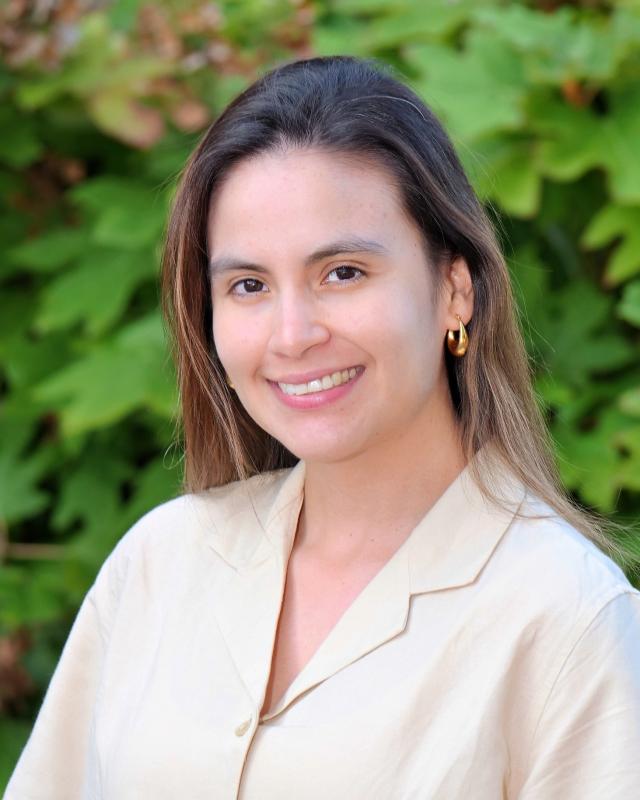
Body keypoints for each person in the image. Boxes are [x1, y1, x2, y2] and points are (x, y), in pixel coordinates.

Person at [5, 55, 640, 800]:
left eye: (342, 272)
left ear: (455, 290)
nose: (293, 334)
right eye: (248, 285)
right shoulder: (160, 564)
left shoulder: (563, 617)